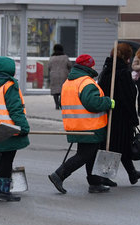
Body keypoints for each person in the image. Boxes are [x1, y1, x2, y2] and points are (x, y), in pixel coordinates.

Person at [48, 54, 114, 194]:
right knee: (84, 155)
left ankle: (95, 183)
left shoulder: (69, 82)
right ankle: (59, 175)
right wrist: (108, 102)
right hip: (90, 126)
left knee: (91, 154)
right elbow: (93, 104)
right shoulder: (86, 82)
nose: (94, 67)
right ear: (88, 66)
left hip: (76, 125)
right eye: (92, 65)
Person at [0, 56, 30, 202]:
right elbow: (15, 109)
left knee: (3, 158)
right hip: (9, 128)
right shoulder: (9, 85)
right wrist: (24, 126)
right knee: (7, 159)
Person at [97, 43, 140, 186]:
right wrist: (133, 118)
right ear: (124, 57)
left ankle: (132, 173)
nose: (129, 60)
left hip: (109, 113)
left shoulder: (106, 70)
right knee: (117, 146)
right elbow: (128, 98)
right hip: (121, 116)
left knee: (120, 145)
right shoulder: (121, 72)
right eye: (128, 57)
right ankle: (104, 175)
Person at [47, 43, 71, 111]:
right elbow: (69, 65)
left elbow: (49, 67)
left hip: (54, 76)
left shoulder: (52, 58)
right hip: (64, 75)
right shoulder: (65, 57)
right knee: (62, 90)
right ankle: (61, 104)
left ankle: (56, 104)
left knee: (55, 91)